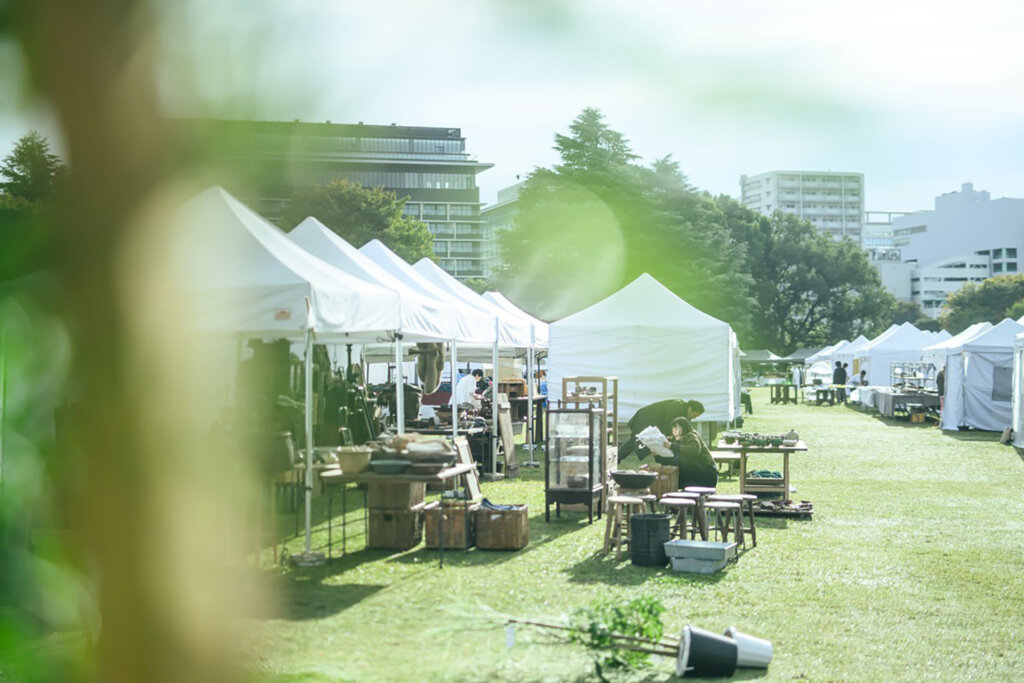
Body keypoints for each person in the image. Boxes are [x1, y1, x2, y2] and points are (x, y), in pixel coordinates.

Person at [618, 398, 705, 459]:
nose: (694, 418)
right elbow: (669, 424)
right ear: (690, 409)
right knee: (635, 441)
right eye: (694, 415)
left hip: (655, 422)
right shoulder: (677, 406)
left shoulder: (684, 412)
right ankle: (617, 459)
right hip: (647, 418)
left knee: (648, 443)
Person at [651, 416, 718, 489]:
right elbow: (673, 460)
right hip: (697, 475)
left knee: (683, 460)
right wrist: (658, 455)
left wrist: (672, 446)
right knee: (678, 462)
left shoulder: (691, 436)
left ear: (683, 427)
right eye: (673, 428)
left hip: (707, 475)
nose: (673, 430)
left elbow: (694, 450)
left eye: (676, 427)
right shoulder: (677, 441)